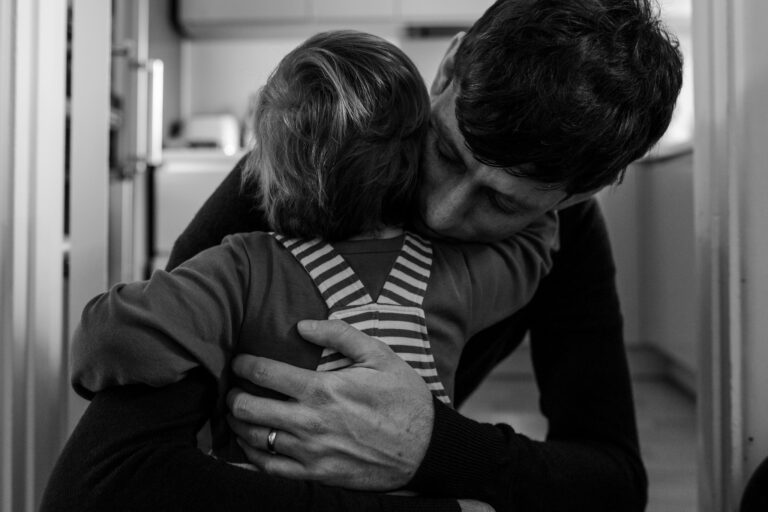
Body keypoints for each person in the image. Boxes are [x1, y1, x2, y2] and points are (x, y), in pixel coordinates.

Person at [41, 0, 683, 511]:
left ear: (581, 195)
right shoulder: (315, 170)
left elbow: (615, 483)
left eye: (503, 204)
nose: (443, 213)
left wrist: (435, 446)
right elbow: (99, 488)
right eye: (447, 153)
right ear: (448, 68)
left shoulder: (564, 234)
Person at [67, 29, 557, 466]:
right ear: (413, 164)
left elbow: (106, 340)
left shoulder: (242, 271)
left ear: (265, 175)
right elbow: (537, 244)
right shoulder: (458, 276)